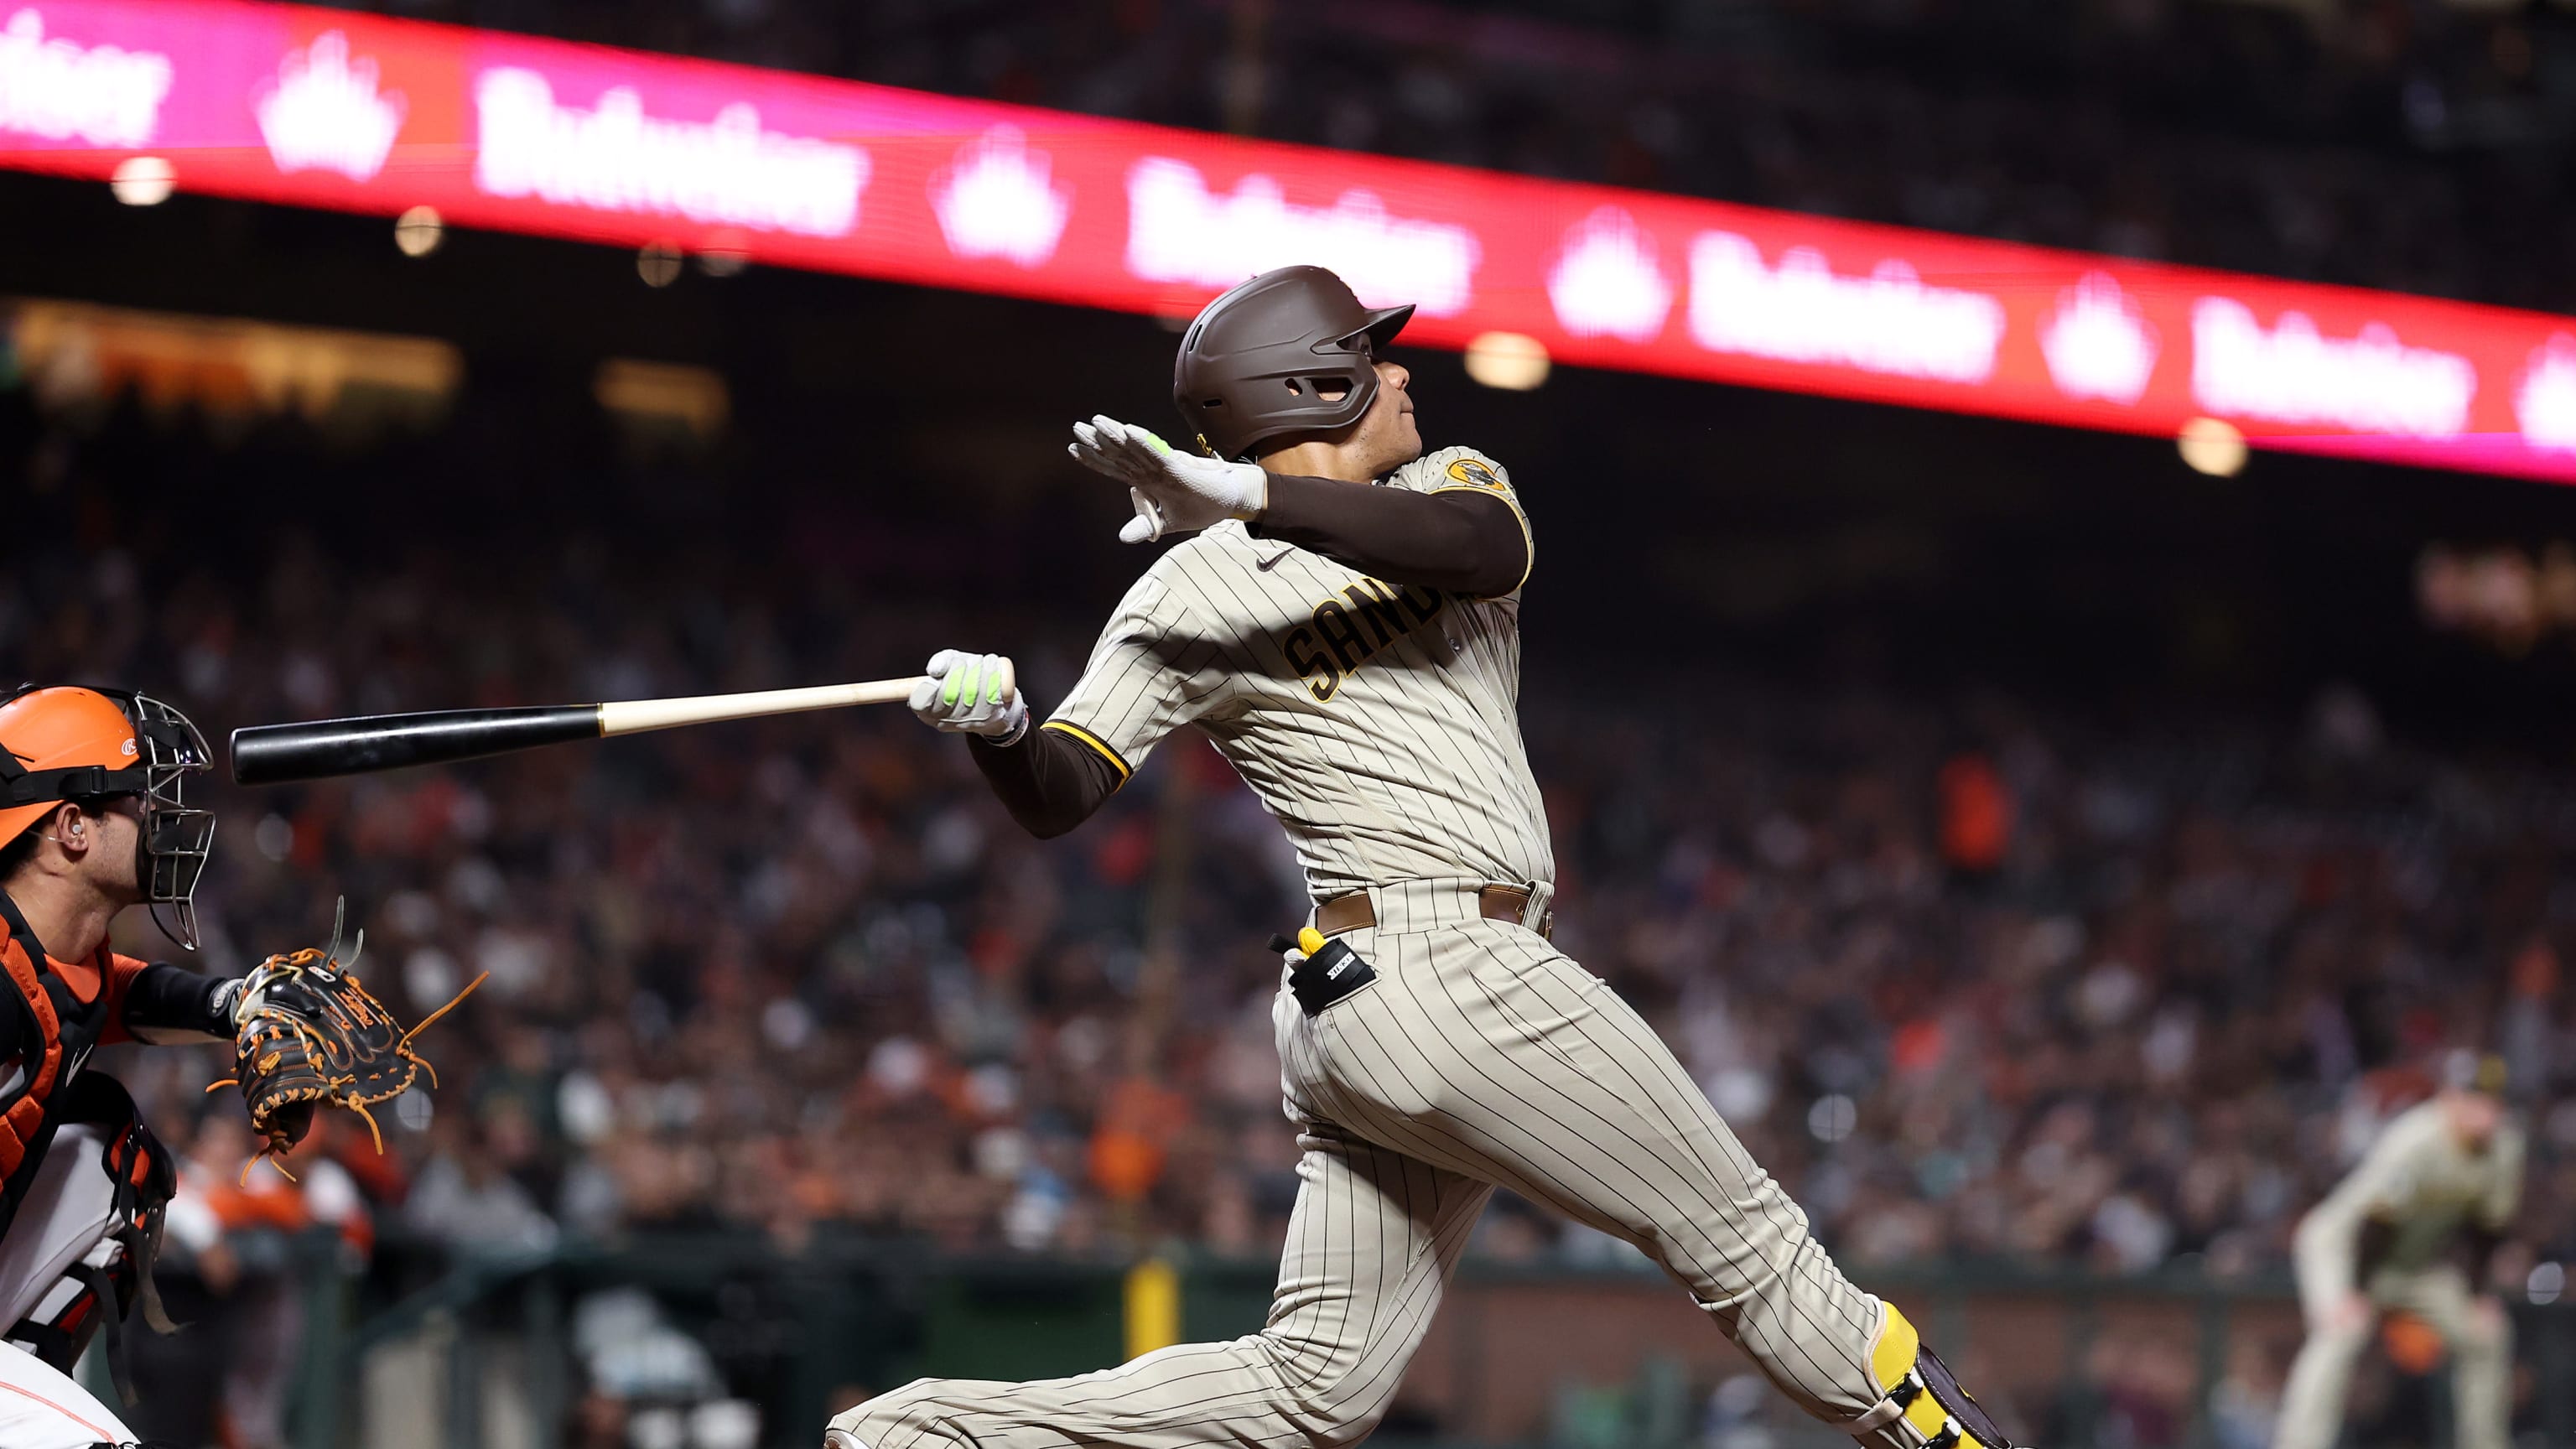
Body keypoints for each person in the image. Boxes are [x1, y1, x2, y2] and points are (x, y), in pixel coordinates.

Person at [828, 266, 2015, 1449]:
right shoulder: (1180, 590)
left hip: (1382, 1003)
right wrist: (999, 731)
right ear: (1315, 383)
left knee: (1315, 1390)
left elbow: (1478, 547)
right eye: (1370, 353)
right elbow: (1061, 793)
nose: (1400, 369)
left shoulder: (1449, 484)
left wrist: (1246, 493)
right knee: (1749, 1241)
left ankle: (918, 1439)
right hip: (1442, 966)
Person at [0, 684, 259, 1449]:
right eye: (136, 801)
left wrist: (237, 1005)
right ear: (71, 827)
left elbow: (117, 993)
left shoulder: (49, 959)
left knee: (113, 1150)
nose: (157, 818)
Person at [2273, 1054, 2523, 1449]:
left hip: (2410, 1263)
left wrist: (2477, 1295)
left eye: (2491, 1100)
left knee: (2487, 1334)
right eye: (2473, 1098)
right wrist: (2354, 1291)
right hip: (2344, 1247)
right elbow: (2376, 1222)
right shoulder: (2417, 1138)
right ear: (2450, 1098)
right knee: (2341, 1331)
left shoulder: (2506, 1147)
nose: (2484, 1110)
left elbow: (2487, 1228)